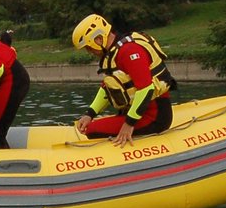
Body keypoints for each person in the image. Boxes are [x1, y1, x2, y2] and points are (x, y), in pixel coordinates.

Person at [70, 14, 178, 146]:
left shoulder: (129, 51)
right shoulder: (112, 54)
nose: (89, 51)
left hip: (154, 116)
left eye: (89, 47)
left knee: (92, 130)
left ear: (98, 39)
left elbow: (146, 89)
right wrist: (89, 114)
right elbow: (107, 87)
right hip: (135, 114)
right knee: (91, 125)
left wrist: (129, 124)